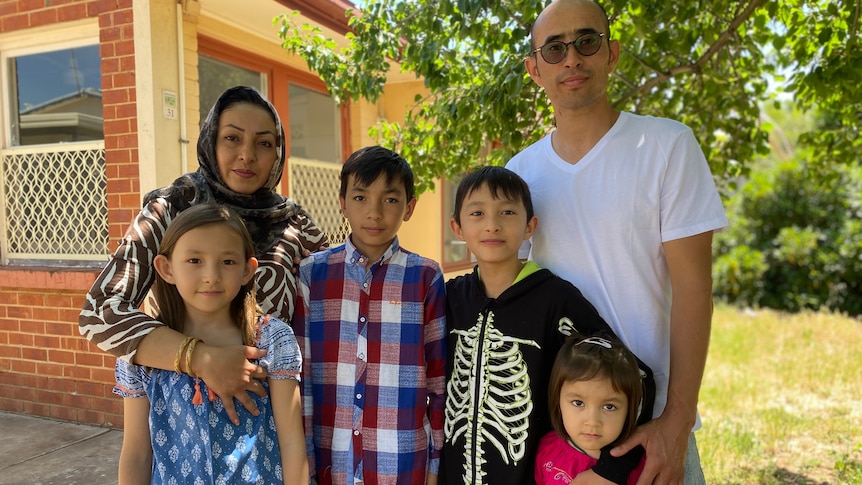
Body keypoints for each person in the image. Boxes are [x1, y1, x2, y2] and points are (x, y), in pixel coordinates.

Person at [505, 1, 729, 483]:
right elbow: (511, 299)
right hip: (559, 428)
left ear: (612, 53)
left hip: (652, 426)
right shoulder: (519, 175)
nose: (571, 59)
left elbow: (694, 289)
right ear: (534, 69)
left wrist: (677, 420)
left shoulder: (669, 147)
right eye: (554, 48)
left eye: (587, 42)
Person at [80, 86, 327, 425]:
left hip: (271, 418)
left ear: (278, 153)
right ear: (211, 141)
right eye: (232, 138)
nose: (247, 155)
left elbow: (340, 304)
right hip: (183, 415)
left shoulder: (294, 224)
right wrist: (201, 357)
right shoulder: (171, 211)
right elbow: (99, 312)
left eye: (264, 143)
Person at [438, 166, 652, 485]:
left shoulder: (555, 300)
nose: (492, 225)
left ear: (529, 226)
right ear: (457, 227)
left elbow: (637, 377)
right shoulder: (449, 298)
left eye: (507, 212)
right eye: (478, 213)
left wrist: (613, 469)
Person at [114, 203, 308, 484]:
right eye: (195, 261)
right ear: (166, 268)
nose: (211, 276)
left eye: (227, 262)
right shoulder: (142, 350)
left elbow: (292, 444)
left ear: (246, 270)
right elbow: (136, 453)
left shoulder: (271, 340)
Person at [293, 146, 446, 485]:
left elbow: (438, 378)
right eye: (361, 198)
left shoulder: (425, 277)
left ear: (409, 207)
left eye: (390, 200)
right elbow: (301, 381)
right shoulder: (312, 275)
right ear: (342, 203)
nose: (374, 213)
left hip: (403, 463)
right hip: (333, 461)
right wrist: (305, 463)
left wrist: (434, 466)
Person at [536, 335, 650, 485]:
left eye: (609, 407)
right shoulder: (547, 450)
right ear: (558, 401)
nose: (592, 421)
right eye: (578, 403)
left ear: (629, 411)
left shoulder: (642, 468)